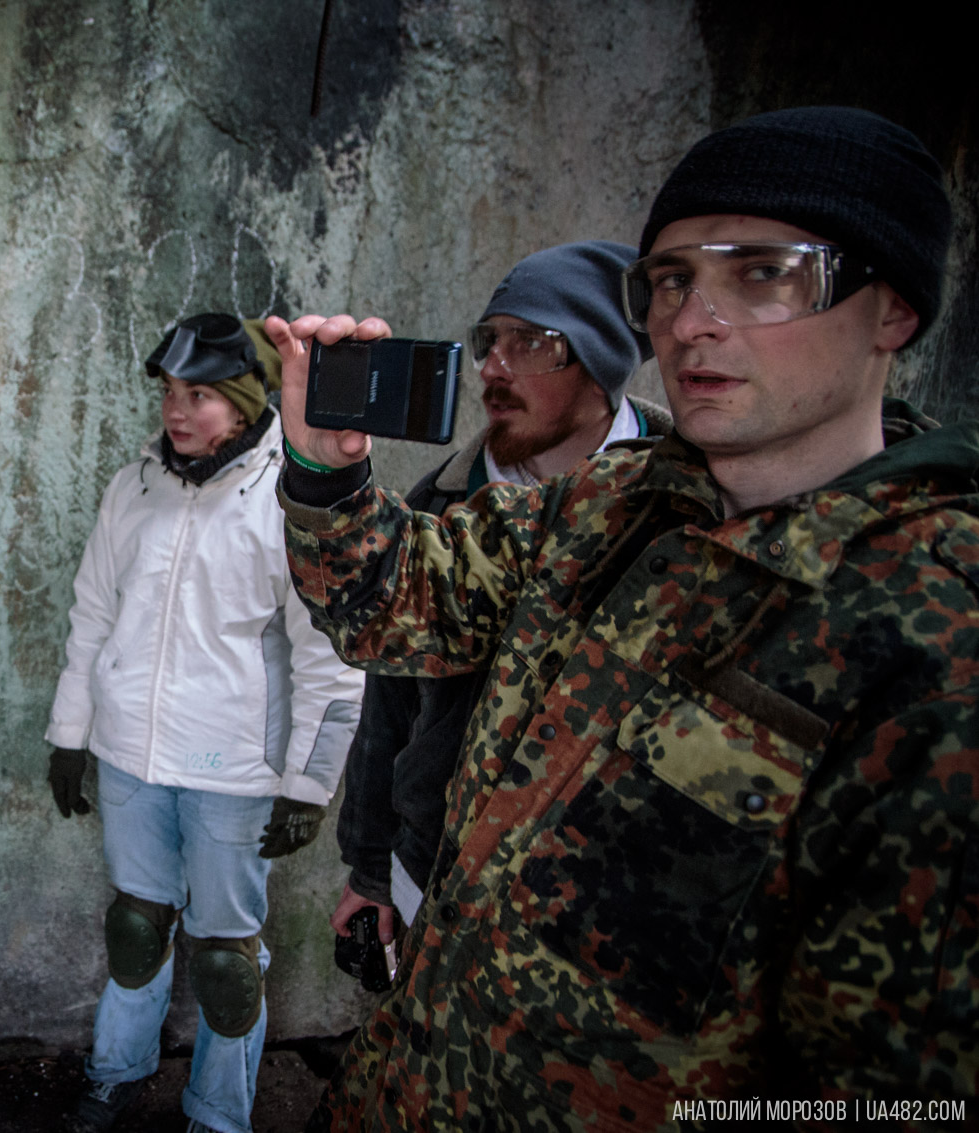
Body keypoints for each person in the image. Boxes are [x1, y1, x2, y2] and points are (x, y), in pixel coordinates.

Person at [272, 107, 977, 1127]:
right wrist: (322, 469)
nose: (692, 320)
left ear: (893, 310)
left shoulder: (936, 643)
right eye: (672, 279)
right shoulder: (615, 502)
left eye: (763, 272)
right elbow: (399, 605)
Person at [44, 313, 364, 1133]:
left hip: (234, 774)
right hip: (130, 757)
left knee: (226, 962)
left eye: (200, 396)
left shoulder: (289, 500)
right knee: (135, 928)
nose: (177, 412)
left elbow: (331, 656)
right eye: (169, 393)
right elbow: (92, 615)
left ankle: (219, 1115)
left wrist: (308, 784)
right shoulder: (134, 487)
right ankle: (115, 1072)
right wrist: (70, 733)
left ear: (247, 399)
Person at [330, 242, 671, 951]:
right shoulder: (442, 502)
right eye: (491, 340)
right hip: (437, 870)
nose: (492, 366)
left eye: (531, 342)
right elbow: (389, 701)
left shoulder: (680, 505)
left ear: (602, 364)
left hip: (598, 901)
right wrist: (370, 867)